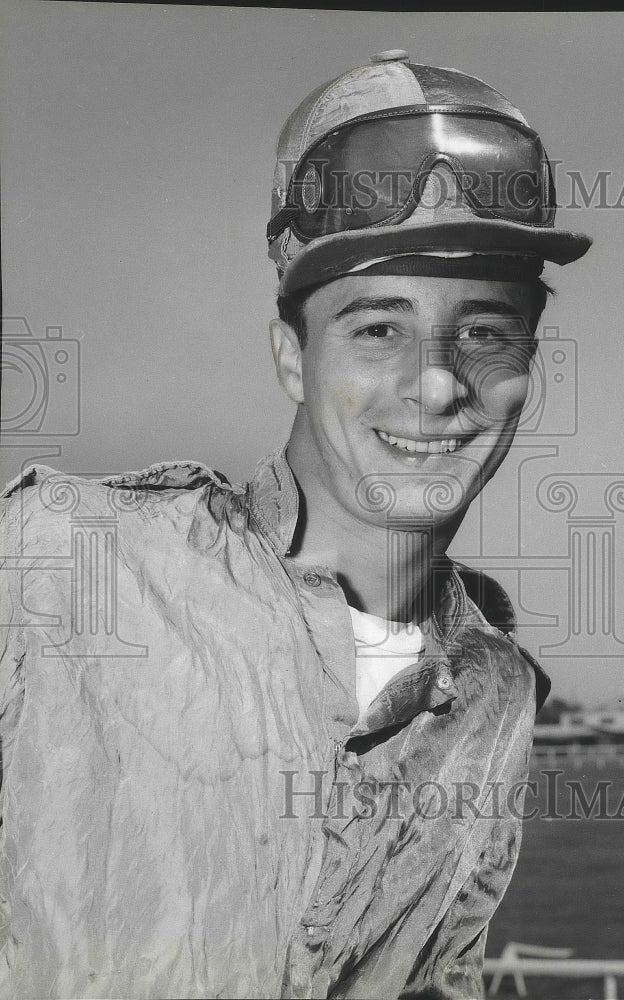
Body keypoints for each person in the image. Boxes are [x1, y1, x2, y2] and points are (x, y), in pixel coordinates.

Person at [0, 51, 590, 999]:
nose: (438, 386)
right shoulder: (61, 565)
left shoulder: (495, 690)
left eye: (485, 331)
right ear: (290, 354)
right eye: (376, 328)